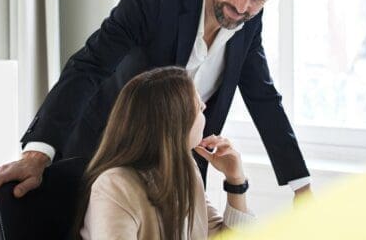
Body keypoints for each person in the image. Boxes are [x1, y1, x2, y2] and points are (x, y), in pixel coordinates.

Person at [0, 0, 311, 201]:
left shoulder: (249, 22)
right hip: (104, 157)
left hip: (175, 172)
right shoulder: (152, 2)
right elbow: (89, 67)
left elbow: (263, 98)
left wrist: (302, 187)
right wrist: (37, 154)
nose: (242, 6)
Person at [75, 66, 254, 239]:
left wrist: (235, 180)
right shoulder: (115, 185)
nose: (205, 108)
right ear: (176, 124)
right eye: (199, 107)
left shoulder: (186, 169)